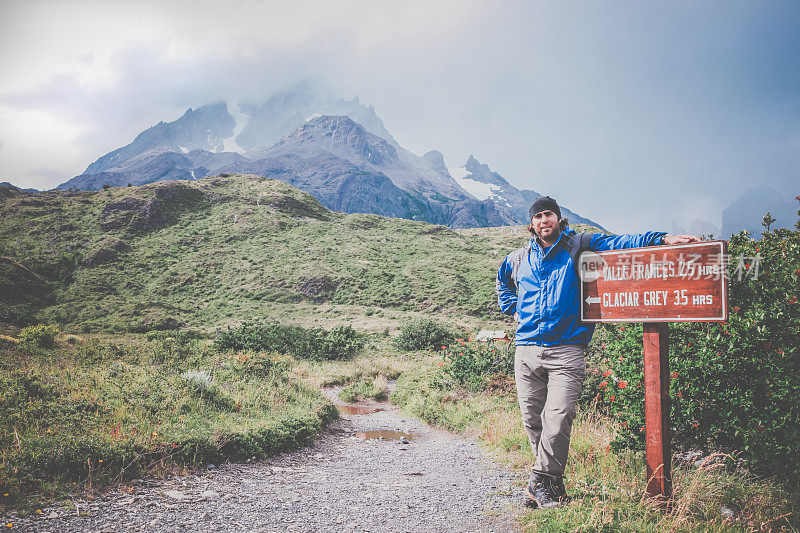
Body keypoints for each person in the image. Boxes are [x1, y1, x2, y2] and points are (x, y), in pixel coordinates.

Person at [495, 196, 699, 509]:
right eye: (538, 217)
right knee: (533, 421)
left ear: (559, 219)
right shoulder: (518, 258)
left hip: (567, 350)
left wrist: (663, 238)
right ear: (531, 224)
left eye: (549, 214)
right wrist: (515, 308)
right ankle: (552, 485)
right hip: (526, 350)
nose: (543, 221)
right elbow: (503, 285)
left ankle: (537, 480)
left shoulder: (580, 245)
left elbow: (623, 242)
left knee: (559, 417)